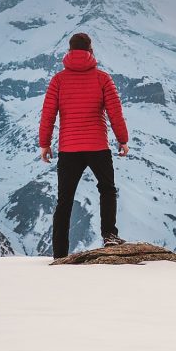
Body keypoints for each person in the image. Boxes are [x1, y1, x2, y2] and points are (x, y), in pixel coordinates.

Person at [39, 32, 130, 259]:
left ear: (69, 51)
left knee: (65, 200)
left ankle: (60, 253)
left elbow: (48, 114)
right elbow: (115, 113)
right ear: (91, 51)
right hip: (98, 146)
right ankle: (109, 235)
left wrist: (45, 144)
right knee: (107, 189)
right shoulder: (102, 78)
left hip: (69, 149)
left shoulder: (58, 80)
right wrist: (123, 140)